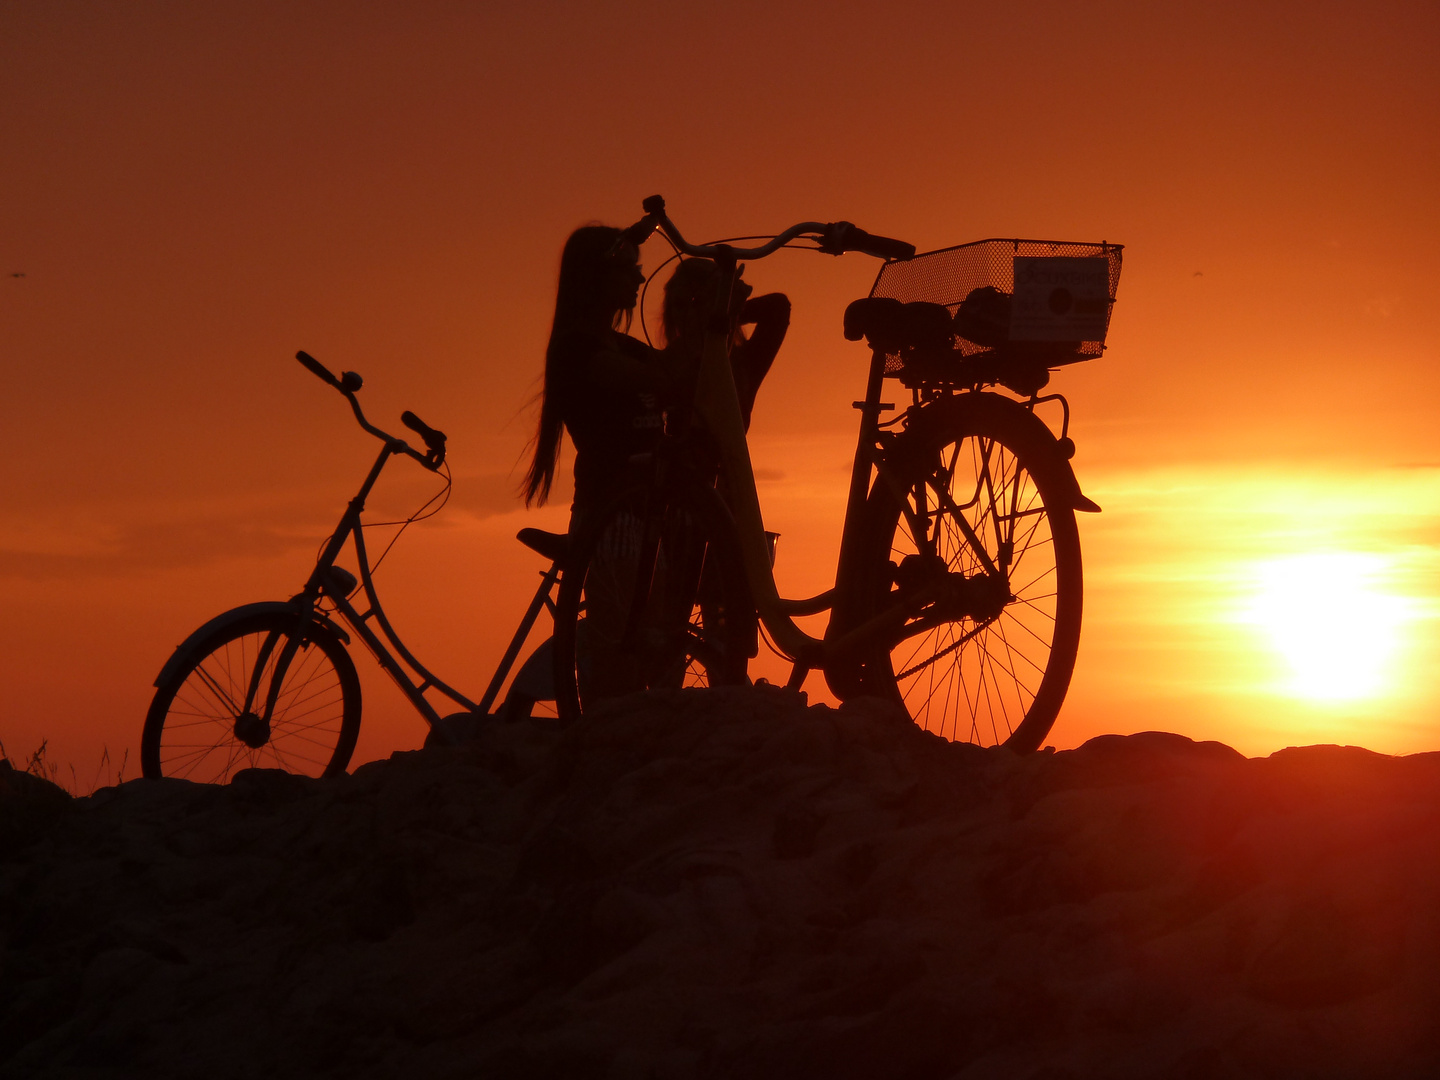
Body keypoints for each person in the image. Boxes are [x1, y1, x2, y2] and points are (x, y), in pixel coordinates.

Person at [522, 225, 667, 517]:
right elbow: (663, 378)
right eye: (627, 268)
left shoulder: (625, 346)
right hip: (610, 517)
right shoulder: (575, 350)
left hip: (647, 510)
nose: (639, 278)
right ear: (595, 276)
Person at [660, 257, 790, 432]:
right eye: (679, 305)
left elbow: (778, 307)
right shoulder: (660, 364)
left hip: (730, 459)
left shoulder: (741, 366)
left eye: (696, 304)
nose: (687, 315)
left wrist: (723, 312)